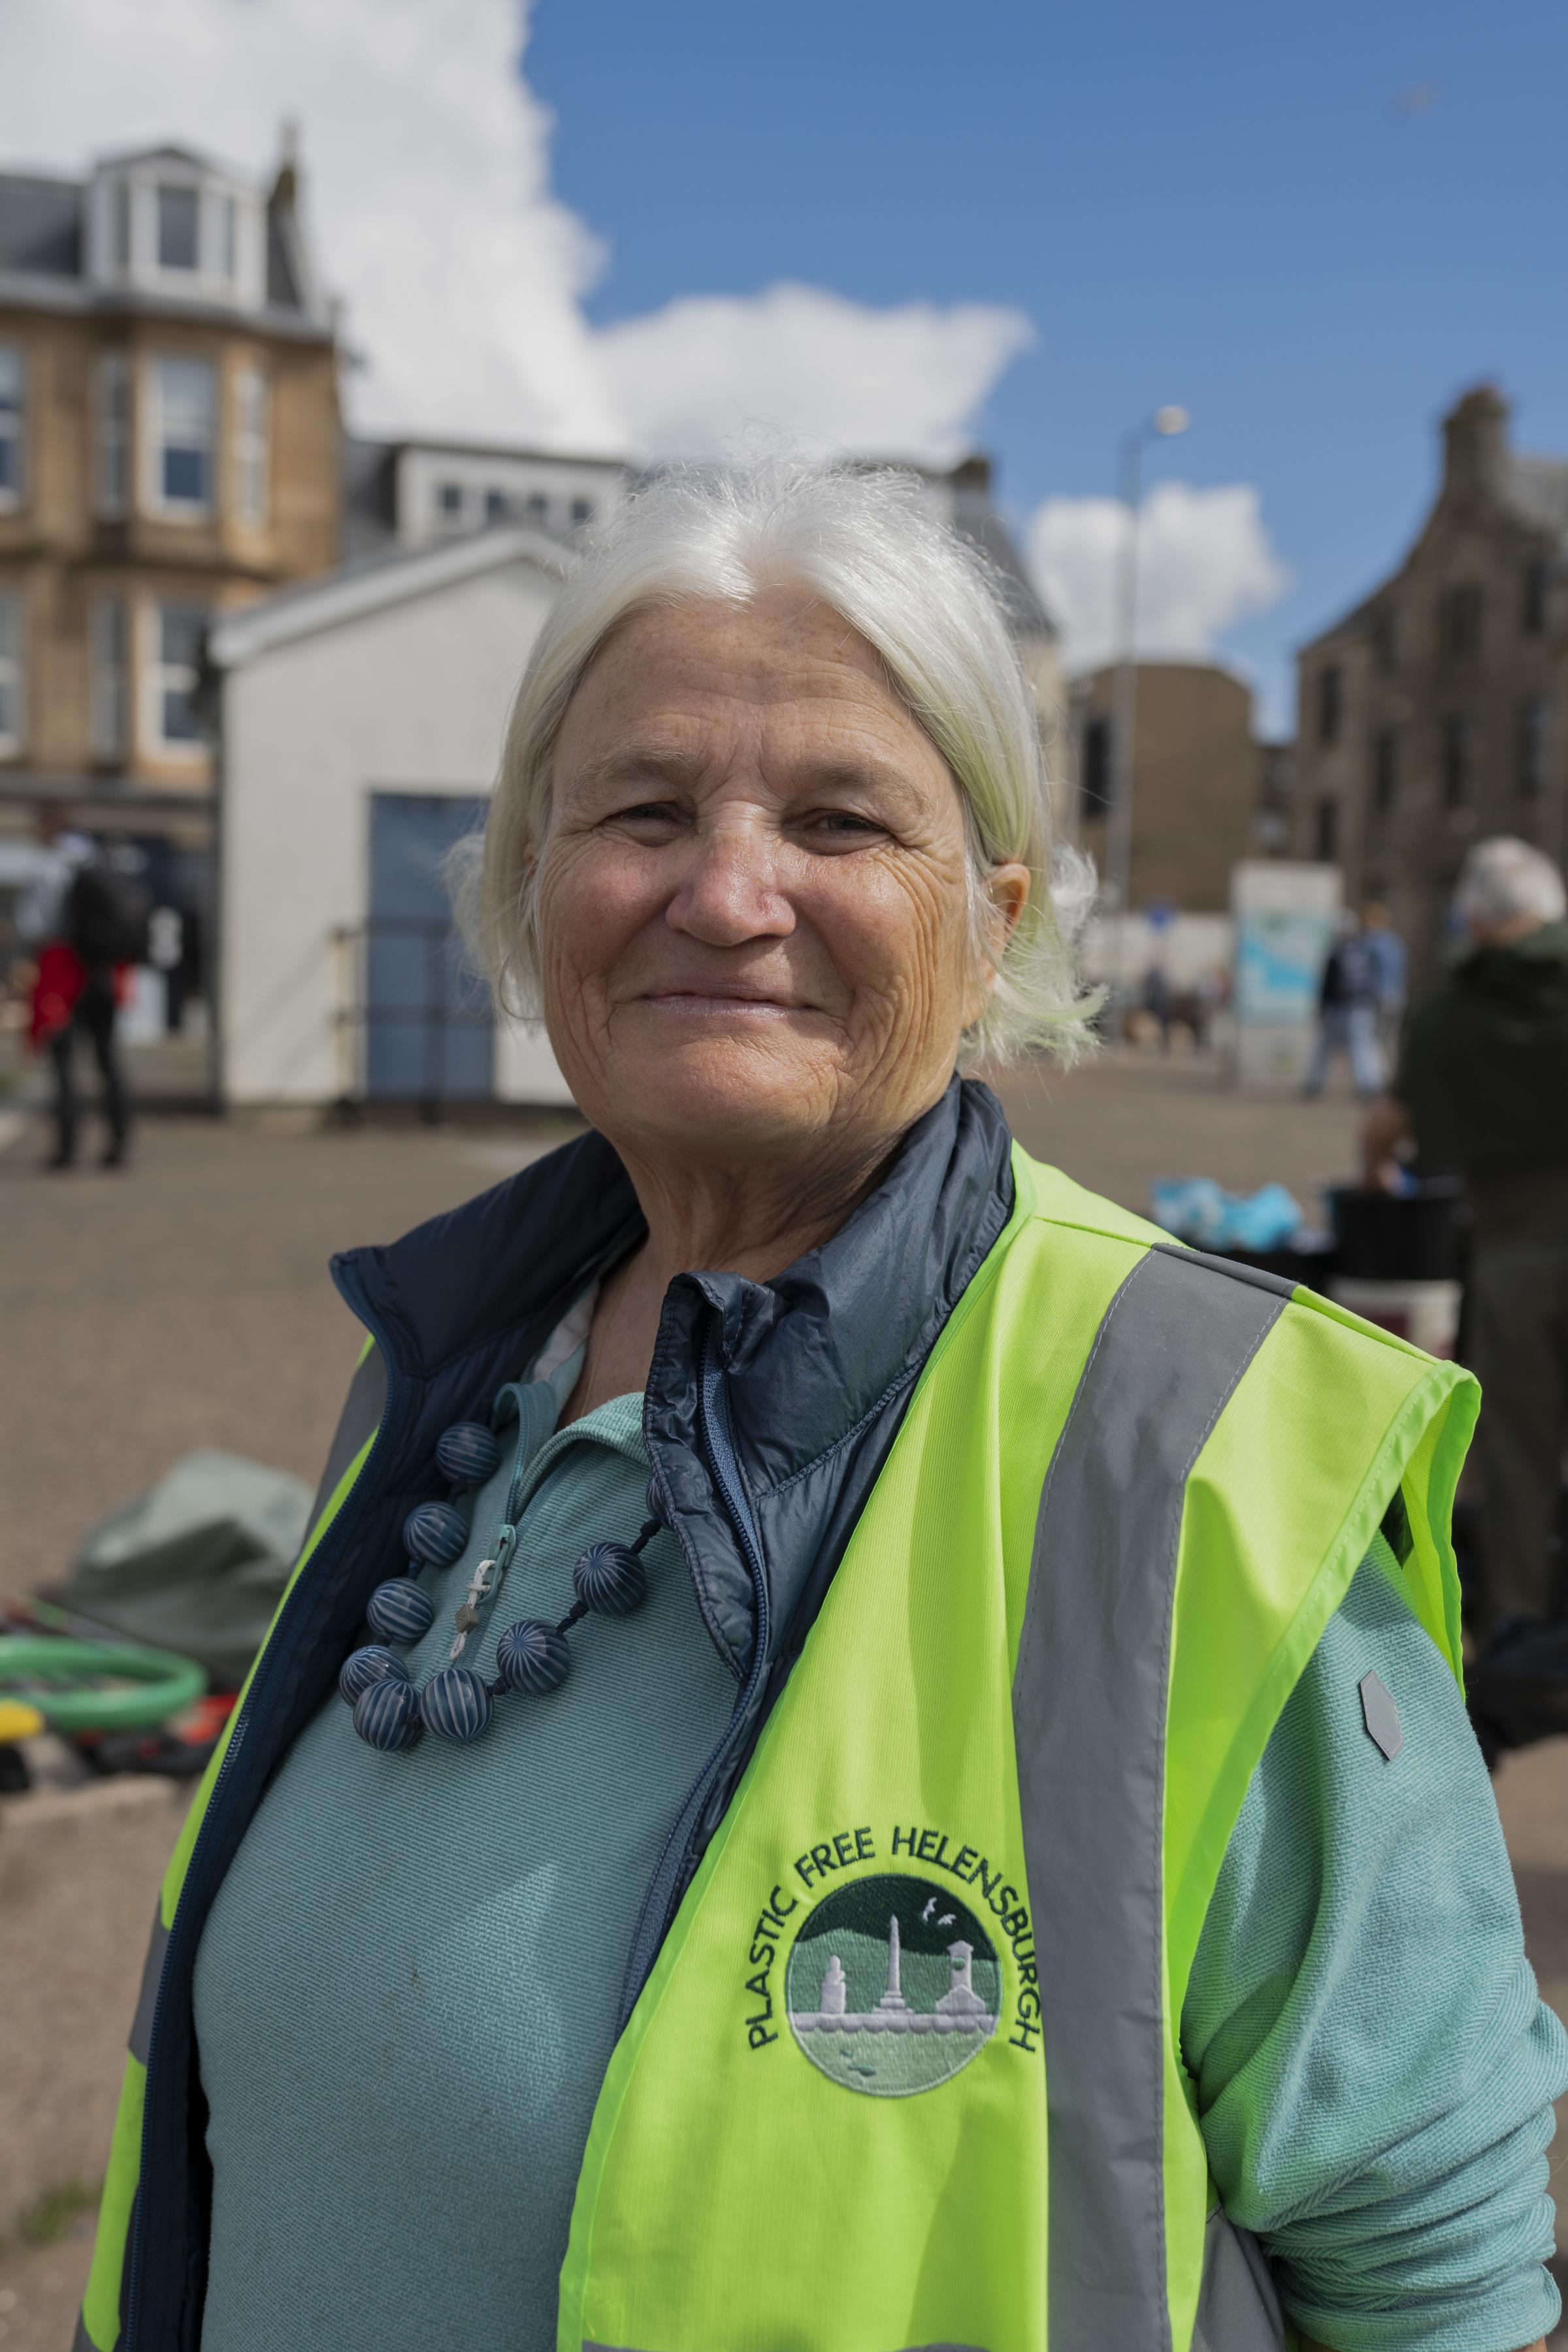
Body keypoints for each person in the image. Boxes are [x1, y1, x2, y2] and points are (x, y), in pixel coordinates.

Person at [82, 463, 1563, 2352]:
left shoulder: (1185, 1455)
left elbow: (1436, 2274)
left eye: (842, 819)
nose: (725, 890)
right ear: (533, 888)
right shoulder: (442, 1361)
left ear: (993, 922)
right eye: (641, 808)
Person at [1364, 838, 1568, 1642]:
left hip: (1512, 1253)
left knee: (1517, 1452)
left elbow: (1385, 1130)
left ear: (1476, 923)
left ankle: (1520, 1617)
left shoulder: (1447, 1013)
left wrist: (1377, 1169)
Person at [16, 809, 134, 1169]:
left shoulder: (51, 866)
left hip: (65, 973)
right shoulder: (107, 860)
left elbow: (33, 924)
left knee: (65, 1064)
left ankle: (67, 1150)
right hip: (104, 973)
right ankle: (119, 1145)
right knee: (108, 1059)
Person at [1303, 909, 1383, 1098]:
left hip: (1339, 1008)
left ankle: (1315, 1083)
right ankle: (1369, 1084)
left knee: (1324, 1047)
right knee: (1362, 1045)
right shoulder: (1365, 952)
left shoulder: (1336, 955)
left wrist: (1321, 1008)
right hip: (1363, 1006)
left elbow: (1327, 985)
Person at [1361, 898, 1409, 1068]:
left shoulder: (1371, 943)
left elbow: (1363, 971)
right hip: (1397, 996)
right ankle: (1393, 1075)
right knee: (1390, 1039)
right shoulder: (1396, 942)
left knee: (1372, 1038)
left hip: (1377, 997)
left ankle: (1374, 1079)